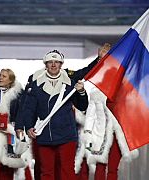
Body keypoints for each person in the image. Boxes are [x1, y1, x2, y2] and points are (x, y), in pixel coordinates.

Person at [22, 43, 111, 180]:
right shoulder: (36, 84)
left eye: (56, 62)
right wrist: (28, 127)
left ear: (61, 64)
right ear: (45, 64)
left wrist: (98, 60)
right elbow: (28, 108)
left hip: (67, 135)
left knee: (67, 172)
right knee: (46, 173)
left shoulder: (70, 80)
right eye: (50, 62)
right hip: (44, 134)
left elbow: (83, 103)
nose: (53, 65)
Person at [74, 88, 139, 180]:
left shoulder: (126, 95)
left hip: (118, 135)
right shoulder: (96, 94)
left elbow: (131, 115)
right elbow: (90, 117)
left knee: (113, 168)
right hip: (101, 135)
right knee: (100, 165)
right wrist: (88, 135)